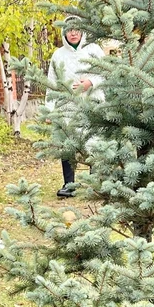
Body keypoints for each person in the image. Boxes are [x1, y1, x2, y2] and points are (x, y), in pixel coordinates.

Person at [46, 17, 105, 198]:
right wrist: (50, 110)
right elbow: (51, 83)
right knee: (68, 143)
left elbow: (106, 72)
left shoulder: (94, 50)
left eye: (76, 29)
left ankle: (95, 184)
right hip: (68, 106)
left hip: (91, 102)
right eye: (69, 30)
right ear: (64, 32)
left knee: (94, 142)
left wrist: (90, 82)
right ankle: (69, 185)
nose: (73, 33)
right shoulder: (58, 55)